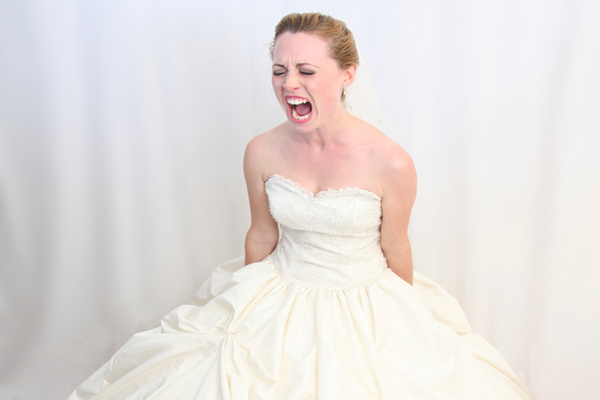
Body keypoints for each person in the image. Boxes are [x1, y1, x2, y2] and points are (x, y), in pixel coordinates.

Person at [69, 12, 532, 399]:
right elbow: (261, 234)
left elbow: (396, 246)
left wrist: (405, 325)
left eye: (306, 71)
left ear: (348, 75)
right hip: (281, 283)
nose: (288, 83)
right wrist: (245, 308)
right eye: (279, 70)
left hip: (363, 296)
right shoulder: (261, 151)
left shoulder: (391, 162)